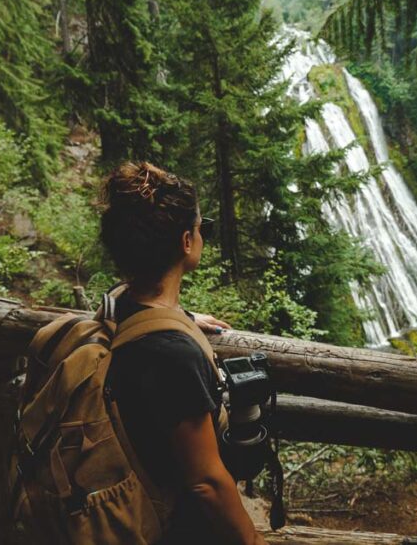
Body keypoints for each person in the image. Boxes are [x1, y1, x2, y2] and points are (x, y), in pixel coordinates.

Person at [100, 161, 268, 545]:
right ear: (186, 242)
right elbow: (207, 483)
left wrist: (184, 317)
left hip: (124, 499)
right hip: (167, 528)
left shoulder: (116, 303)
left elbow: (145, 306)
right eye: (199, 227)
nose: (201, 234)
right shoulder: (174, 356)